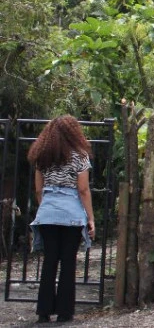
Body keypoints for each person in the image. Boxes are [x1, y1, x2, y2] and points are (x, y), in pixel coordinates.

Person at [28, 116, 95, 324]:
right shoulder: (80, 156)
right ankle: (65, 312)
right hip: (71, 215)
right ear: (74, 132)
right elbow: (83, 190)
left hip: (47, 213)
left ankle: (43, 311)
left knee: (49, 261)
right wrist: (91, 218)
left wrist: (47, 208)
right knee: (68, 262)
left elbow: (38, 189)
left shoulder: (42, 155)